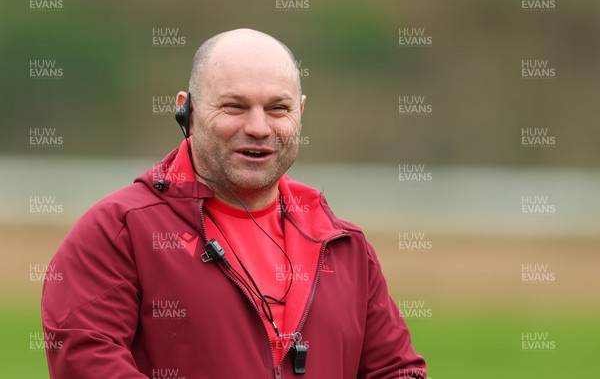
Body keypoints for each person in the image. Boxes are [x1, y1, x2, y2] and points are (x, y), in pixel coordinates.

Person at [42, 28, 427, 379]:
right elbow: (87, 363)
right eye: (234, 107)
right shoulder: (118, 231)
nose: (259, 127)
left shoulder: (344, 246)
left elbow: (397, 370)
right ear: (186, 110)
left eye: (278, 108)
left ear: (301, 113)